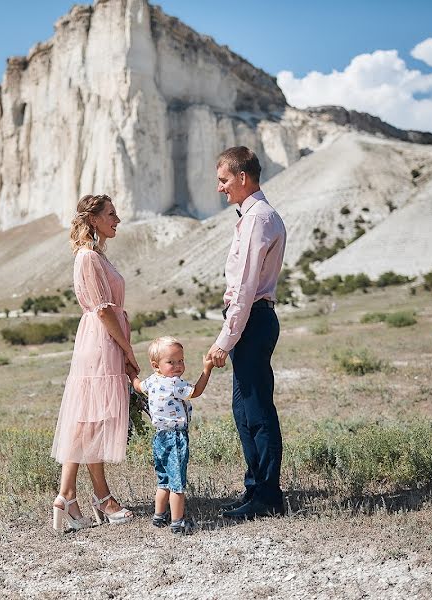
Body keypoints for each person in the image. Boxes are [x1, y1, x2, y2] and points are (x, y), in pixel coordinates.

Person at [206, 146, 288, 519]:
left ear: (242, 177)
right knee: (243, 408)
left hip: (252, 320)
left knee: (256, 410)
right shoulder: (252, 217)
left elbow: (243, 289)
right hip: (251, 319)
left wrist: (225, 340)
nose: (221, 188)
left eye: (224, 180)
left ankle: (268, 497)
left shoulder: (258, 219)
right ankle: (255, 488)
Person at [50, 194, 139, 532]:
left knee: (89, 420)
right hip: (101, 339)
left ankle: (72, 497)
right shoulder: (88, 257)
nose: (117, 220)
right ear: (95, 220)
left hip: (102, 338)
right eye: (111, 214)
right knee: (90, 420)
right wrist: (128, 350)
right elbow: (102, 309)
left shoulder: (95, 255)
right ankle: (90, 497)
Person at [130, 336, 213, 535]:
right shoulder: (175, 383)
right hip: (175, 438)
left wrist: (130, 372)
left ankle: (159, 516)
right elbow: (196, 392)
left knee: (164, 480)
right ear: (156, 365)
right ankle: (178, 522)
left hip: (159, 438)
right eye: (171, 362)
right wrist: (206, 370)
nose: (177, 366)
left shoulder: (151, 381)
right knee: (177, 483)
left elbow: (138, 386)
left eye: (180, 361)